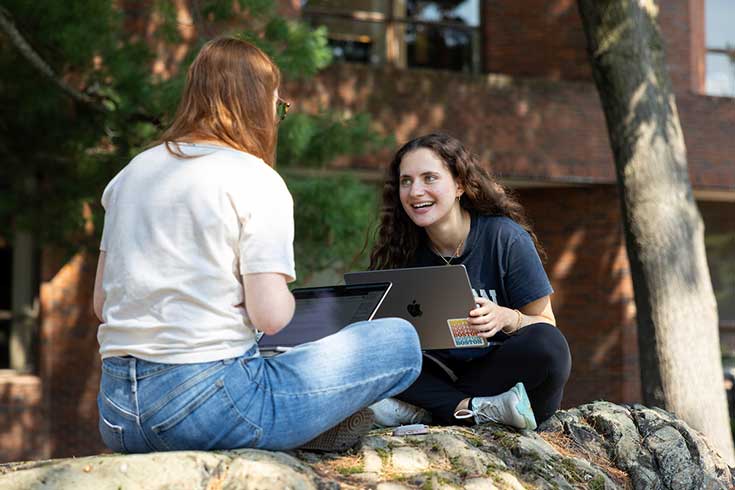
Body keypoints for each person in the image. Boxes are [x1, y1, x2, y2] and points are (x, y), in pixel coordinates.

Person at [93, 38, 422, 454]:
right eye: (277, 105)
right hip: (209, 406)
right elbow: (270, 315)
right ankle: (314, 427)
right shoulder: (254, 178)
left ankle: (310, 429)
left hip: (117, 413)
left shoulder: (130, 174)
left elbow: (102, 304)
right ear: (255, 104)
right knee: (400, 340)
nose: (277, 116)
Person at [368, 133, 571, 430]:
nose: (415, 191)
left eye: (429, 178)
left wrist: (508, 317)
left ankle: (435, 410)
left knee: (550, 345)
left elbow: (545, 322)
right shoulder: (403, 250)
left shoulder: (505, 238)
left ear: (460, 185)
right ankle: (466, 410)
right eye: (406, 181)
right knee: (371, 349)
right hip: (443, 375)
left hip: (505, 377)